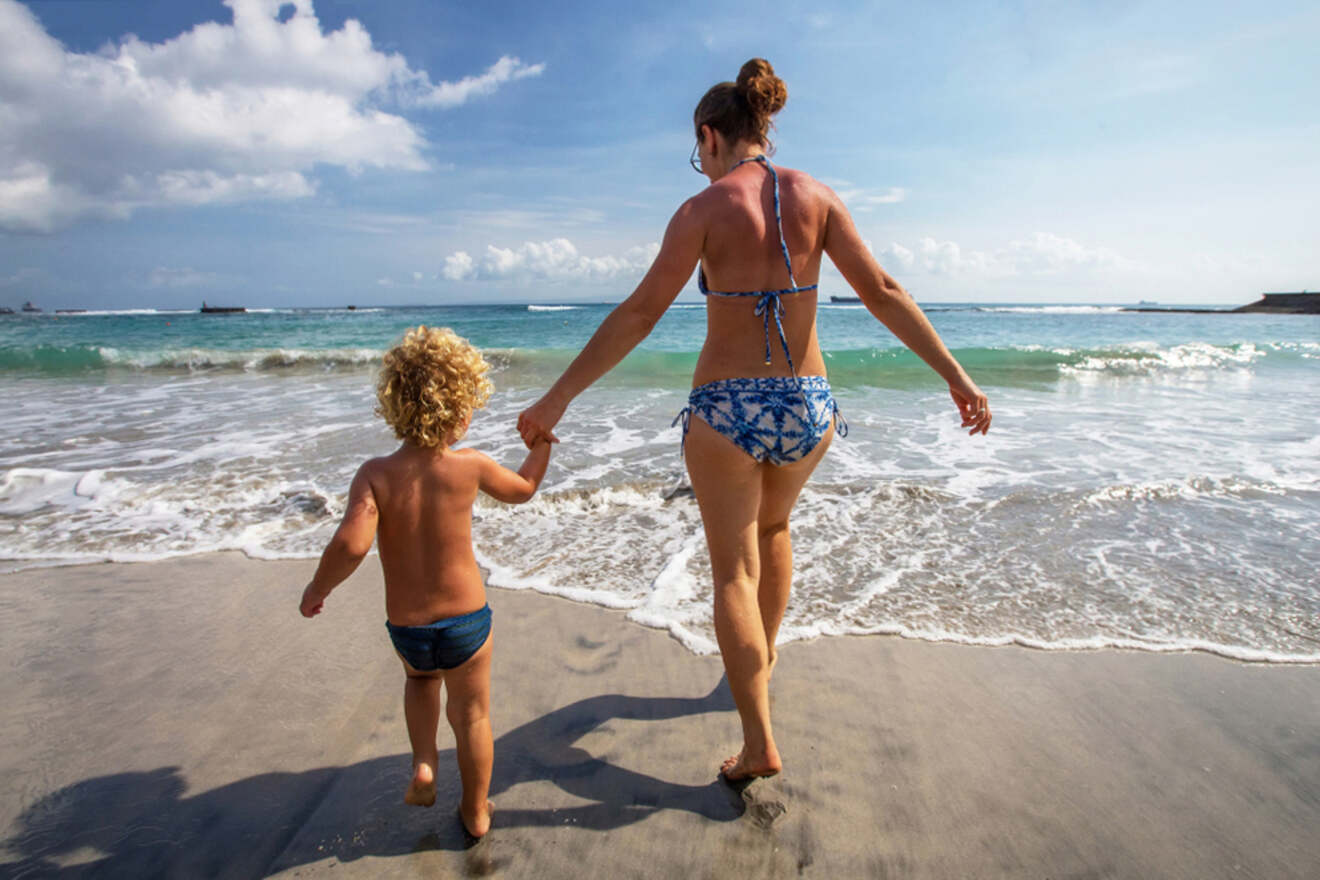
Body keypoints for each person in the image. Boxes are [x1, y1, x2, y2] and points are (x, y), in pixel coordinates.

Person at [517, 58, 989, 783]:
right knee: (774, 530)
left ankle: (759, 742)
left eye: (696, 151)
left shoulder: (701, 211)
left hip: (726, 410)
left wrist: (556, 400)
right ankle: (757, 660)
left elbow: (640, 313)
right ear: (761, 127)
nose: (698, 165)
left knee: (733, 571)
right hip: (808, 405)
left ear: (711, 136)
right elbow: (884, 292)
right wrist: (957, 377)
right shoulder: (817, 196)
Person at [300, 326, 552, 838]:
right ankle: (477, 810)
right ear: (462, 406)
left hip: (409, 628)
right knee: (474, 715)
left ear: (394, 404)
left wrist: (317, 589)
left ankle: (423, 763)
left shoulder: (375, 474)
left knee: (419, 682)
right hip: (467, 623)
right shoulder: (471, 465)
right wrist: (541, 445)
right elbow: (523, 489)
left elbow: (350, 545)